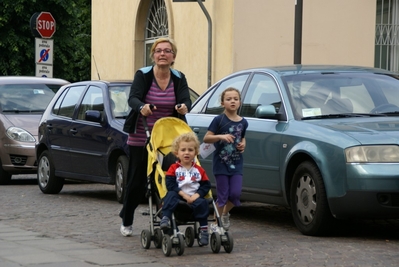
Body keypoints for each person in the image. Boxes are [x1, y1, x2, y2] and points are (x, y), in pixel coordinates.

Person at [119, 37, 191, 237]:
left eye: (167, 51)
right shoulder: (143, 75)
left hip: (167, 140)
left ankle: (166, 217)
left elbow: (185, 99)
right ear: (153, 55)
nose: (162, 54)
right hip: (142, 136)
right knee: (137, 182)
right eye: (158, 51)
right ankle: (127, 219)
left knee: (166, 178)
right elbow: (133, 97)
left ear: (173, 56)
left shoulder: (178, 77)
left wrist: (184, 107)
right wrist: (142, 107)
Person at [203, 87, 248, 231]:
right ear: (223, 103)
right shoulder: (218, 120)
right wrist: (221, 136)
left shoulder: (244, 122)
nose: (232, 101)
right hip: (221, 164)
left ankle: (224, 214)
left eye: (235, 99)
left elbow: (242, 136)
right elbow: (206, 138)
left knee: (235, 194)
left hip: (236, 163)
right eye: (229, 99)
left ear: (240, 102)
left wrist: (243, 144)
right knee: (222, 195)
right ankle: (216, 224)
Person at [160, 132, 211, 246]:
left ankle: (204, 231)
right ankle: (166, 218)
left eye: (190, 150)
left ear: (196, 153)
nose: (187, 152)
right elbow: (170, 184)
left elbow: (205, 185)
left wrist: (197, 195)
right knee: (170, 195)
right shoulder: (173, 168)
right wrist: (184, 195)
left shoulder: (199, 170)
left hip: (195, 196)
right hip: (179, 196)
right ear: (176, 153)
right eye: (183, 150)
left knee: (203, 203)